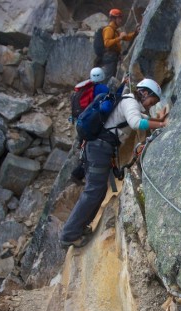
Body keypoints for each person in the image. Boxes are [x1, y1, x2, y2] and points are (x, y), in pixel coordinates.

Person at [60, 78, 168, 248]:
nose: (150, 105)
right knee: (93, 191)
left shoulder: (128, 102)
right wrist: (162, 123)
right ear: (144, 93)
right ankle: (69, 235)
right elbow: (136, 123)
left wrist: (158, 119)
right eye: (151, 101)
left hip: (98, 149)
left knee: (98, 190)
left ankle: (80, 228)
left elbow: (143, 117)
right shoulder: (130, 102)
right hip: (99, 149)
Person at [70, 67, 126, 184]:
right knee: (92, 152)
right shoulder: (101, 88)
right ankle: (79, 174)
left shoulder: (83, 89)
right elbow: (112, 100)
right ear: (102, 76)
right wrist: (123, 86)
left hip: (82, 122)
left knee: (85, 151)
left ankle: (79, 174)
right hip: (92, 125)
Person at [101, 8, 139, 83]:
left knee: (112, 75)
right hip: (110, 57)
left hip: (113, 56)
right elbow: (107, 43)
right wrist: (119, 38)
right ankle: (105, 92)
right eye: (119, 18)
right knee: (109, 77)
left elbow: (126, 37)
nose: (121, 20)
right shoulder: (109, 29)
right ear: (113, 19)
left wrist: (135, 33)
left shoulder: (115, 30)